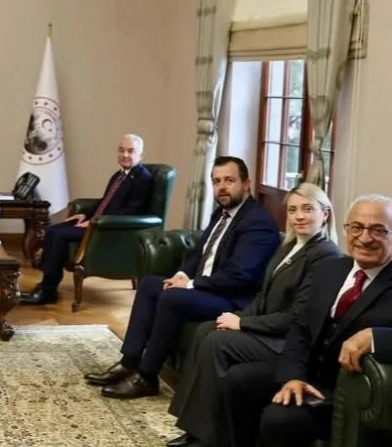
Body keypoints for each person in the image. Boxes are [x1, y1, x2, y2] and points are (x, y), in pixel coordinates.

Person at [86, 156, 280, 399]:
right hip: (210, 288)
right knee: (149, 285)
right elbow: (199, 252)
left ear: (246, 184)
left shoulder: (257, 222)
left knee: (173, 298)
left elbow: (239, 276)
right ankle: (129, 362)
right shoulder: (221, 213)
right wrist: (181, 274)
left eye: (229, 181)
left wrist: (189, 285)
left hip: (235, 299)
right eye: (217, 181)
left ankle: (147, 377)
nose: (222, 187)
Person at [166, 183, 341, 447]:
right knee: (206, 330)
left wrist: (243, 323)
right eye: (293, 210)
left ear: (325, 214)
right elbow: (263, 295)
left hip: (285, 342)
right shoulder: (289, 245)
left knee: (217, 342)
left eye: (308, 209)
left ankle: (209, 438)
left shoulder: (325, 255)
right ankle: (195, 428)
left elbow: (297, 316)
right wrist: (237, 318)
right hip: (266, 329)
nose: (299, 216)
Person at [223, 194, 392, 447]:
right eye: (356, 227)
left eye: (378, 230)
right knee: (239, 379)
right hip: (307, 371)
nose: (365, 238)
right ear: (346, 229)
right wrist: (292, 377)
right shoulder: (332, 269)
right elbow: (300, 329)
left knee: (279, 419)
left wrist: (376, 337)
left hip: (347, 390)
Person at [21, 134, 153, 305]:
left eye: (131, 151)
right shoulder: (119, 175)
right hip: (97, 222)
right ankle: (46, 283)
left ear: (141, 155)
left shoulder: (143, 178)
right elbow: (106, 201)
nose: (125, 155)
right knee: (52, 230)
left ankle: (48, 290)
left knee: (59, 235)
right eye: (121, 150)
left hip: (110, 229)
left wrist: (95, 221)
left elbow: (131, 211)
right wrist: (85, 214)